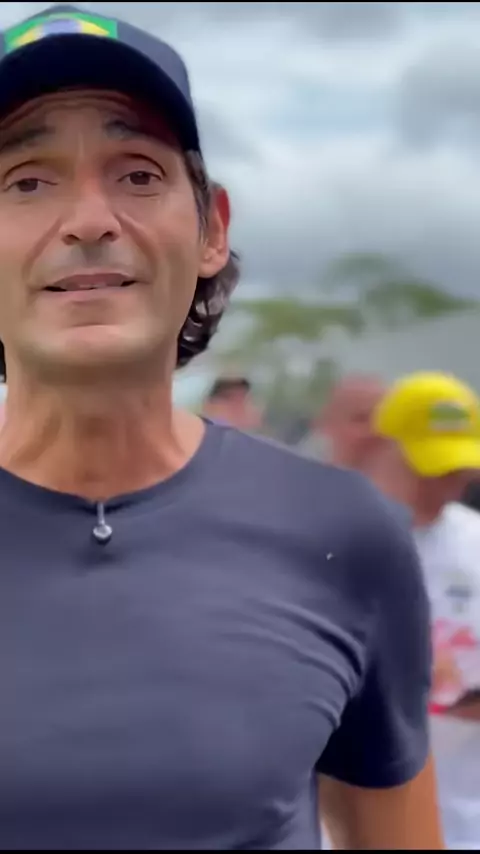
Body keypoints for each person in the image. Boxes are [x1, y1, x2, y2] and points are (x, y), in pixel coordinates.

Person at [0, 5, 442, 850]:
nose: (88, 220)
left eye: (138, 174)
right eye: (27, 181)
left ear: (212, 230)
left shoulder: (343, 536)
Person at [374, 371, 480, 850]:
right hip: (355, 821)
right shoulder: (336, 540)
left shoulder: (474, 544)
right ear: (385, 450)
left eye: (458, 470)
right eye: (431, 468)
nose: (446, 485)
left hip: (464, 821)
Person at [308, 373, 388, 469]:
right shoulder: (299, 474)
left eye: (385, 420)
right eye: (361, 419)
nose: (377, 431)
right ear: (324, 425)